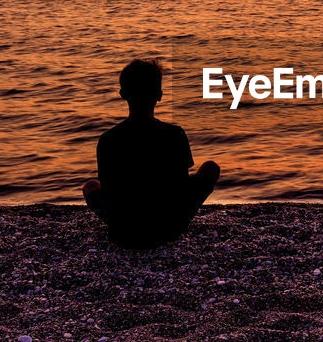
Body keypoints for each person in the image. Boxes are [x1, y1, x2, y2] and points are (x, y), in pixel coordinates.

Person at [82, 59, 220, 249]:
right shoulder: (174, 134)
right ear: (159, 95)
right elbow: (180, 184)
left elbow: (109, 188)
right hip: (169, 226)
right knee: (210, 168)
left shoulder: (108, 139)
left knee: (90, 187)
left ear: (122, 94)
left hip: (124, 230)